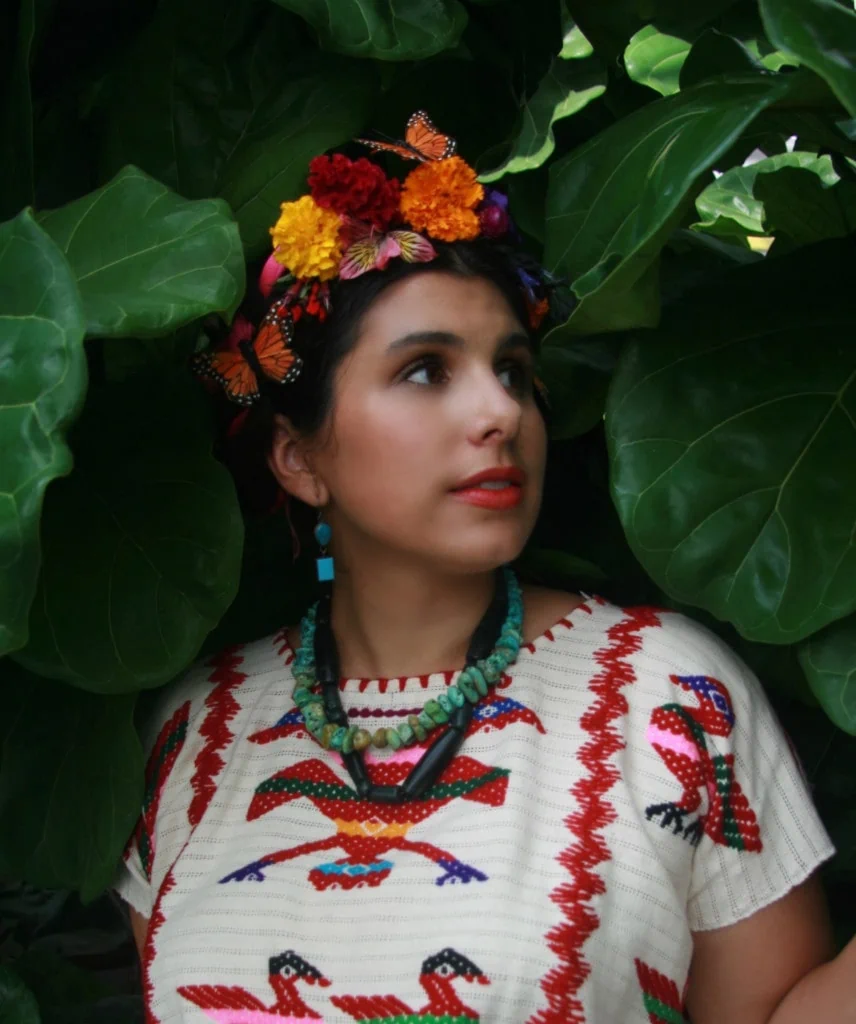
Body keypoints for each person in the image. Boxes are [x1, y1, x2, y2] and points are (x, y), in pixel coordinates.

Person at [114, 113, 854, 1024]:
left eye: (512, 370)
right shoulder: (197, 732)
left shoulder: (665, 696)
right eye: (426, 371)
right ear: (297, 459)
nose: (500, 413)